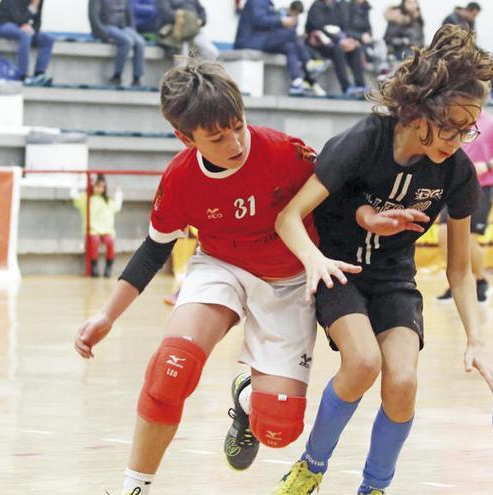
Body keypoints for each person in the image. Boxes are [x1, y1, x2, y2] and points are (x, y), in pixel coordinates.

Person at [73, 60, 327, 494]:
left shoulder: (287, 152)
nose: (235, 142)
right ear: (186, 138)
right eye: (217, 137)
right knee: (170, 370)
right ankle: (137, 486)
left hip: (288, 282)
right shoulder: (179, 180)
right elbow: (154, 249)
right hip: (222, 268)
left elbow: (336, 203)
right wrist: (107, 316)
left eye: (238, 126)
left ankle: (247, 398)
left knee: (279, 428)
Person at [270, 24, 493, 494]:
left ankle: (374, 487)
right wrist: (315, 261)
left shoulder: (458, 173)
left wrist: (476, 339)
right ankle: (310, 469)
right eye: (451, 126)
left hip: (395, 280)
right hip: (339, 270)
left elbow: (459, 269)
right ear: (420, 112)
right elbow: (289, 216)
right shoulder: (364, 140)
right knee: (362, 363)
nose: (459, 139)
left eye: (469, 128)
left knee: (402, 381)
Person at [436, 109, 493, 302]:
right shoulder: (451, 118)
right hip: (452, 187)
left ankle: (481, 282)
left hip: (481, 187)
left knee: (469, 238)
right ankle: (456, 282)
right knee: (444, 235)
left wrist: (487, 166)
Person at [234, 0, 317, 96]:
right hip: (249, 41)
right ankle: (308, 63)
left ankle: (296, 82)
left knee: (289, 47)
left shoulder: (267, 3)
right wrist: (281, 21)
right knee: (290, 33)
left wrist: (282, 22)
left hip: (261, 39)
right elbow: (259, 21)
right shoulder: (257, 1)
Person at [441, 3, 493, 105]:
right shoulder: (451, 19)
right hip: (452, 53)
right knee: (477, 63)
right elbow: (448, 41)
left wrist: (485, 54)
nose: (474, 18)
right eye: (474, 15)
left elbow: (471, 42)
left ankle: (492, 91)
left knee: (487, 60)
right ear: (468, 10)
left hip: (465, 51)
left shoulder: (470, 21)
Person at [305, 0, 367, 97]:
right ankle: (346, 87)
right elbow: (318, 27)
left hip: (337, 41)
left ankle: (360, 85)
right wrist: (338, 40)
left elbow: (343, 27)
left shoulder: (338, 7)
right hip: (320, 44)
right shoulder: (316, 6)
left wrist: (348, 40)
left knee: (355, 48)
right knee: (338, 49)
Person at [0, 0, 54, 85]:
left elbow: (37, 21)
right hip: (1, 23)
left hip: (20, 26)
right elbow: (17, 18)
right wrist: (33, 7)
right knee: (25, 35)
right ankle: (23, 75)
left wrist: (33, 29)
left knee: (47, 39)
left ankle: (39, 74)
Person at [71, 174, 123, 278]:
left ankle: (108, 267)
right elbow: (73, 195)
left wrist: (119, 193)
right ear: (92, 185)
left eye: (102, 187)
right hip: (92, 230)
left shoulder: (107, 200)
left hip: (107, 230)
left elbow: (117, 205)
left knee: (110, 241)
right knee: (94, 240)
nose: (100, 189)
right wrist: (77, 182)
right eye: (97, 186)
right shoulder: (86, 199)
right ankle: (93, 265)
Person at [89, 0, 147, 87]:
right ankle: (117, 75)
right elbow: (93, 17)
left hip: (123, 28)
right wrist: (103, 34)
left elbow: (129, 15)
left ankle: (137, 77)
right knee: (127, 41)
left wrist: (132, 29)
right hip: (107, 27)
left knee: (140, 42)